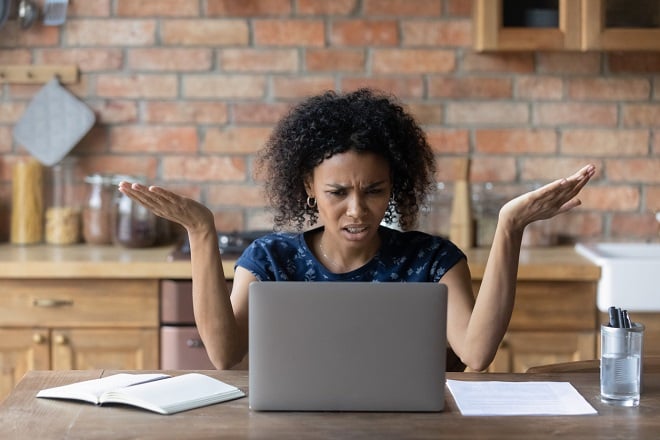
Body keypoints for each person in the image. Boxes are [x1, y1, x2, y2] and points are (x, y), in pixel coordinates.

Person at [118, 88, 595, 372]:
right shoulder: (269, 260)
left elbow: (477, 353)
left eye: (373, 190)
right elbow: (224, 356)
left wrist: (509, 227)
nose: (357, 211)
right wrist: (201, 232)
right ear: (308, 186)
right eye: (337, 193)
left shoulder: (431, 259)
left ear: (395, 186)